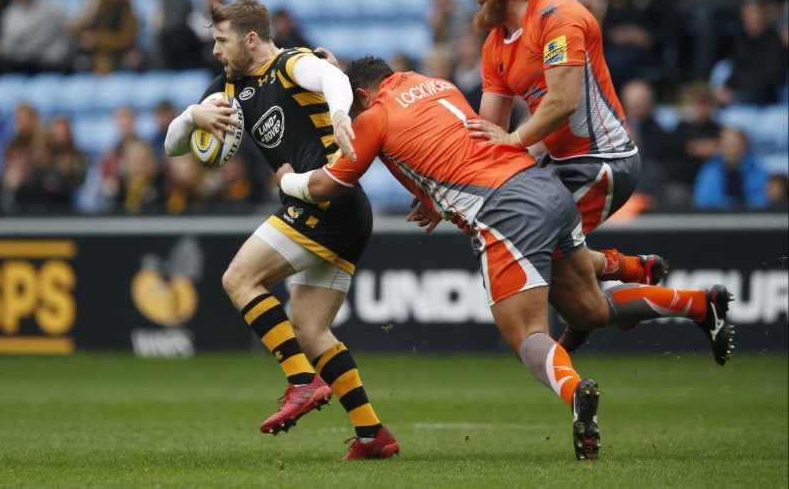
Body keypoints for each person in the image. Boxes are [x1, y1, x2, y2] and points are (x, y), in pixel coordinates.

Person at [275, 55, 735, 461]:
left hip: (503, 210)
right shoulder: (439, 84)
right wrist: (434, 193)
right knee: (587, 309)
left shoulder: (375, 116)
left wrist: (288, 180)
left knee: (528, 335)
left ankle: (577, 393)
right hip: (544, 187)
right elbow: (449, 146)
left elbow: (329, 185)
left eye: (354, 105)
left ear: (360, 96)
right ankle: (698, 303)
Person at [163, 0, 398, 460]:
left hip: (324, 201)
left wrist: (338, 113)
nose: (215, 50)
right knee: (310, 329)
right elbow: (173, 147)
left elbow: (331, 77)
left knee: (239, 279)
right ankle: (373, 435)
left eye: (221, 40)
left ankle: (300, 380)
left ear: (251, 40)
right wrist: (193, 117)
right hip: (344, 212)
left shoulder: (292, 64)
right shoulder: (228, 88)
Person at [462, 0, 668, 353]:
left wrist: (514, 143)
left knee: (533, 245)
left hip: (604, 160)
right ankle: (631, 272)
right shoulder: (495, 45)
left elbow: (561, 103)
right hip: (560, 163)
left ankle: (612, 294)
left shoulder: (559, 16)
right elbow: (488, 133)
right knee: (532, 245)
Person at [68, 0, 139, 74]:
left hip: (118, 53)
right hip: (93, 54)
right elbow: (78, 29)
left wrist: (97, 39)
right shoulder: (93, 7)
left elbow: (127, 39)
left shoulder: (127, 10)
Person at [0, 0, 71, 74]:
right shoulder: (10, 14)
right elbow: (7, 44)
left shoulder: (50, 8)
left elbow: (69, 27)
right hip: (19, 63)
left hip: (47, 61)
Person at [693, 126, 769, 210]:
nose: (732, 151)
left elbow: (763, 200)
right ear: (721, 147)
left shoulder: (758, 171)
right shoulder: (709, 172)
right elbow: (704, 201)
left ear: (745, 147)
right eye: (728, 146)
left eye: (736, 146)